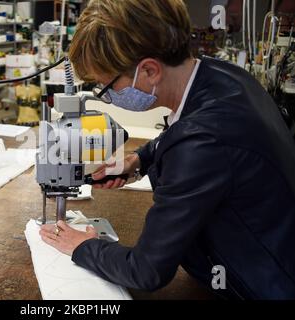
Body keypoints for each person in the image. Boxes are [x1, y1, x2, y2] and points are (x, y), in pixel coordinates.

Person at [39, 0, 295, 299]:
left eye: (106, 87)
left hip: (262, 286)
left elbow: (146, 271)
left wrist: (83, 247)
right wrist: (140, 159)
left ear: (148, 70)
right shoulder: (224, 75)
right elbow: (190, 129)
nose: (106, 97)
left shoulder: (200, 144)